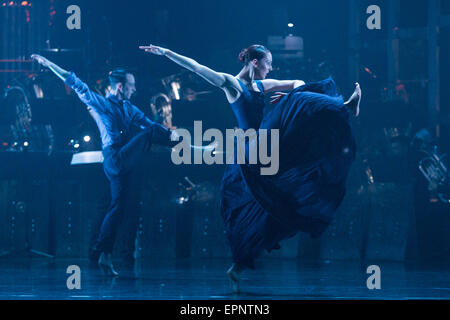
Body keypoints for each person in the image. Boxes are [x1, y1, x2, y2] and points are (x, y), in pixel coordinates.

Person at [140, 44, 361, 293]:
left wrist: (295, 100)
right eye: (268, 63)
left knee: (264, 213)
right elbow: (196, 67)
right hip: (250, 149)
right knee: (295, 103)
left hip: (266, 144)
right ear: (255, 62)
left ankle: (237, 267)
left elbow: (297, 82)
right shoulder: (232, 84)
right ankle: (343, 106)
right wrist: (167, 53)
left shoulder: (259, 86)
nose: (271, 68)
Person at [31, 54, 178, 276]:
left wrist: (169, 135)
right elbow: (76, 84)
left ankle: (104, 254)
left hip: (125, 159)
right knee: (148, 134)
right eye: (131, 86)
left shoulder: (129, 109)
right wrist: (49, 64)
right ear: (120, 86)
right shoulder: (102, 104)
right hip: (114, 159)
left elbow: (150, 124)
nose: (134, 90)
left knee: (118, 208)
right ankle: (188, 146)